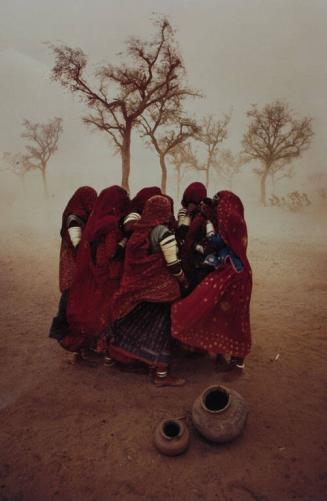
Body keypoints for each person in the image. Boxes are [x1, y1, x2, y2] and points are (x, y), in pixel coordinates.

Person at [101, 195, 187, 386]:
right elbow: (173, 264)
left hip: (136, 289)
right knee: (161, 332)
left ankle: (109, 356)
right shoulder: (163, 233)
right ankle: (161, 375)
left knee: (127, 322)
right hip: (160, 294)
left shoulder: (137, 231)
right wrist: (182, 279)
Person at [171, 191, 252, 372]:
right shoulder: (237, 219)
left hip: (230, 273)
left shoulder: (227, 219)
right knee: (235, 316)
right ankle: (235, 359)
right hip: (240, 271)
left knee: (212, 308)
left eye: (218, 203)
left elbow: (215, 241)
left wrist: (208, 223)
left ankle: (227, 357)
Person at [61, 185, 129, 358]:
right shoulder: (102, 222)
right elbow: (110, 252)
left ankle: (86, 347)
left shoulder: (95, 221)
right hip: (100, 271)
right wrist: (124, 243)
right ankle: (102, 350)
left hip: (91, 269)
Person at [49, 186, 97, 343]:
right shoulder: (74, 219)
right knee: (70, 294)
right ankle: (61, 331)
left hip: (76, 261)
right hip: (74, 263)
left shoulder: (80, 216)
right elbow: (78, 245)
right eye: (91, 199)